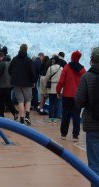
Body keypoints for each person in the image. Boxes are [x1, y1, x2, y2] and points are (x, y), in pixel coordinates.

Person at [75, 47, 99, 186]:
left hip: (93, 124)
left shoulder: (87, 76)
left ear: (92, 59)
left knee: (95, 163)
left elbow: (79, 101)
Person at [57, 50, 85, 141]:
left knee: (65, 115)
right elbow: (85, 84)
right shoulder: (83, 70)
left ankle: (63, 134)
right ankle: (75, 136)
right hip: (78, 97)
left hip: (67, 95)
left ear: (72, 57)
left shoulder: (67, 67)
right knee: (76, 116)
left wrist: (58, 91)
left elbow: (61, 81)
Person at [8, 44, 36, 125]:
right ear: (26, 50)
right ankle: (27, 115)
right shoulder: (29, 60)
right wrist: (33, 81)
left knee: (20, 101)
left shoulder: (14, 59)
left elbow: (9, 70)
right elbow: (32, 73)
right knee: (28, 99)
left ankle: (22, 118)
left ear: (19, 49)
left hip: (16, 83)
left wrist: (14, 78)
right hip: (27, 83)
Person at [0, 51, 18, 119]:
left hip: (2, 85)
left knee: (0, 101)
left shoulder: (2, 63)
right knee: (8, 100)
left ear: (0, 57)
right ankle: (15, 112)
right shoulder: (10, 62)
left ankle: (1, 116)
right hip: (9, 85)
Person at [44, 56, 63, 123]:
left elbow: (46, 78)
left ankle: (50, 118)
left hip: (51, 86)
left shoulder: (50, 68)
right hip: (58, 87)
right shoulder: (61, 69)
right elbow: (62, 79)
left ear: (54, 61)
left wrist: (45, 87)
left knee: (51, 102)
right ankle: (55, 118)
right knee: (56, 103)